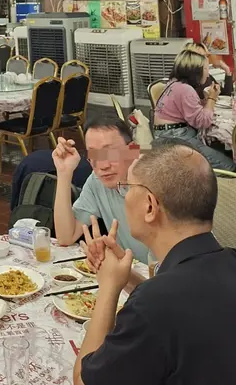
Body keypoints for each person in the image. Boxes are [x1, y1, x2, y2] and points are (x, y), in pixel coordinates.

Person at [74, 141, 235, 385]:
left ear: (150, 206)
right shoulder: (229, 260)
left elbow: (83, 381)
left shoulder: (152, 304)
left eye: (128, 187)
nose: (124, 196)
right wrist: (125, 276)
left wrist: (108, 287)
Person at [52, 115, 149, 263]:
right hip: (130, 271)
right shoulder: (96, 181)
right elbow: (66, 237)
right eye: (95, 155)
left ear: (133, 150)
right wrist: (64, 173)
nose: (103, 166)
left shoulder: (155, 182)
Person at [153, 47, 236, 171]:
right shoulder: (185, 89)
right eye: (206, 69)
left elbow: (189, 110)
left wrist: (205, 101)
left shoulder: (174, 83)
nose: (208, 73)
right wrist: (212, 98)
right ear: (196, 71)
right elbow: (202, 122)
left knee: (220, 150)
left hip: (167, 133)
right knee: (229, 166)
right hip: (174, 137)